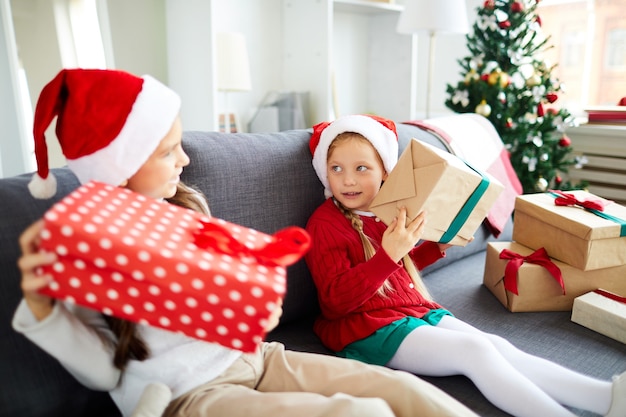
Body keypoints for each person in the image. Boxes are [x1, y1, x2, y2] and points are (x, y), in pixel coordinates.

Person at [12, 69, 479, 417]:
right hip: (190, 395)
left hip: (258, 357)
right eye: (167, 151)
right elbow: (105, 374)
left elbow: (233, 303)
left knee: (403, 393)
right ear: (122, 164)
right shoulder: (83, 253)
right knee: (362, 413)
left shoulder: (187, 205)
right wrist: (42, 310)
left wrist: (256, 311)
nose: (185, 158)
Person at [304, 114, 626, 417]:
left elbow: (395, 277)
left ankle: (607, 397)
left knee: (497, 345)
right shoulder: (324, 224)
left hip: (410, 310)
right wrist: (388, 255)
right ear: (325, 172)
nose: (347, 180)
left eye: (362, 168)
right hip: (364, 328)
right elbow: (335, 302)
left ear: (385, 171)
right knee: (474, 351)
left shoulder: (386, 213)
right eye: (336, 168)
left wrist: (434, 248)